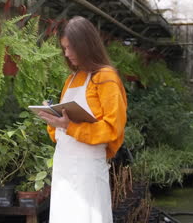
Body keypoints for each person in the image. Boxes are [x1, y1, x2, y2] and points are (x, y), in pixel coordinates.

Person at [38, 16, 127, 223]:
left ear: (86, 45)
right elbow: (58, 133)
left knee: (88, 216)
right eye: (64, 49)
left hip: (88, 166)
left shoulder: (106, 77)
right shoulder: (71, 79)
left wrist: (68, 126)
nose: (67, 54)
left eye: (71, 48)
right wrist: (53, 118)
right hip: (64, 163)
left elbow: (113, 129)